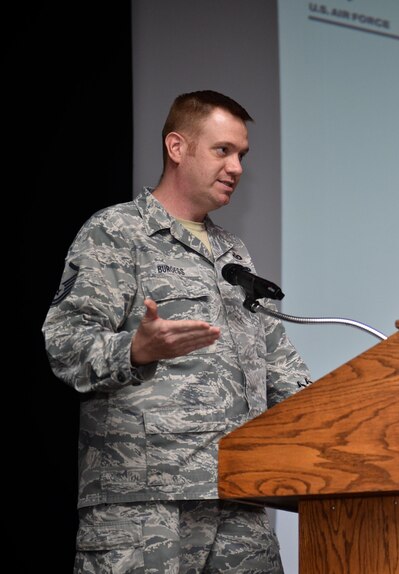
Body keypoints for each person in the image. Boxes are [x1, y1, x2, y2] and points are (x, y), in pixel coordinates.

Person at [43, 90, 310, 573]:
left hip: (240, 502)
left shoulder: (235, 252)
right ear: (177, 147)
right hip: (144, 508)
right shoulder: (117, 232)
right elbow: (65, 345)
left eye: (242, 155)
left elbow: (280, 368)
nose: (237, 168)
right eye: (222, 150)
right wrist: (135, 349)